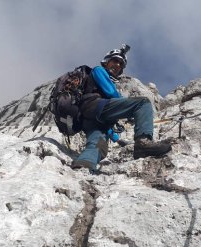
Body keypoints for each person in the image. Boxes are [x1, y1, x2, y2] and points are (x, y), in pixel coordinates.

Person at [71, 44, 171, 172]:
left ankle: (84, 166)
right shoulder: (98, 70)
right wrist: (130, 112)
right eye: (115, 61)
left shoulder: (101, 76)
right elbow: (110, 92)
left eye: (121, 64)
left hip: (91, 120)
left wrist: (119, 141)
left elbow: (103, 123)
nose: (118, 65)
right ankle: (143, 144)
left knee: (98, 145)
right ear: (106, 62)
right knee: (143, 103)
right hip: (93, 106)